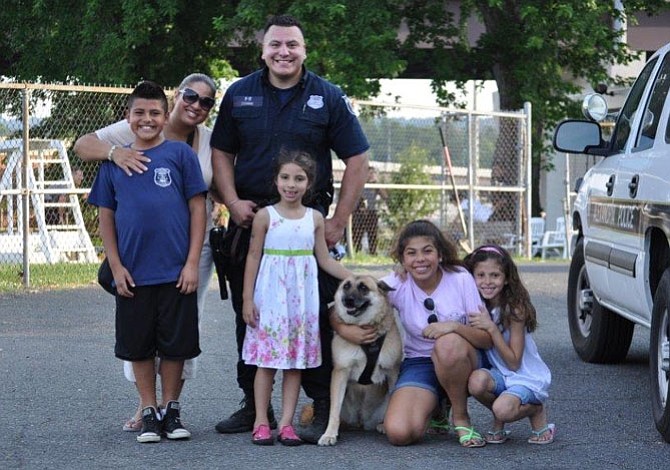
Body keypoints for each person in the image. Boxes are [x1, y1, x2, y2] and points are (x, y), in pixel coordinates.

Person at [210, 14, 370, 443]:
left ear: (304, 50)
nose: (284, 52)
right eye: (276, 44)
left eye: (292, 45)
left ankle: (315, 407)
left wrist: (338, 220)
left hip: (307, 226)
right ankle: (254, 407)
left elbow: (358, 159)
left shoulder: (328, 96)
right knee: (252, 318)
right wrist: (230, 200)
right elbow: (221, 152)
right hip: (252, 223)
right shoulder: (239, 94)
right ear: (262, 50)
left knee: (314, 317)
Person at [74, 73, 218, 431]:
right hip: (135, 269)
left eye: (155, 113)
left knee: (176, 340)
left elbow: (198, 207)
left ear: (164, 114)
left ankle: (171, 409)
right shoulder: (116, 159)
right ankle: (148, 409)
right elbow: (105, 215)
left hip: (178, 266)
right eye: (140, 113)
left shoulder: (185, 154)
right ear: (128, 117)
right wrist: (116, 265)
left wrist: (190, 263)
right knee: (139, 342)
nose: (147, 119)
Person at [242, 150, 353, 446]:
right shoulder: (266, 216)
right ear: (276, 180)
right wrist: (247, 299)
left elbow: (324, 260)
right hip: (270, 299)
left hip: (301, 302)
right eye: (285, 177)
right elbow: (253, 257)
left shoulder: (315, 218)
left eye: (299, 179)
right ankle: (261, 422)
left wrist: (353, 278)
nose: (291, 184)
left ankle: (287, 424)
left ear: (309, 184)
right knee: (266, 363)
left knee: (295, 364)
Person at [379, 220, 491, 447]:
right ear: (403, 259)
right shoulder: (398, 283)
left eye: (427, 251)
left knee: (447, 344)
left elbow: (487, 339)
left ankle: (460, 417)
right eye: (411, 253)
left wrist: (454, 327)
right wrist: (345, 330)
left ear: (440, 254)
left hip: (465, 358)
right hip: (420, 361)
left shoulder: (460, 278)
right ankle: (438, 404)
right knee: (399, 433)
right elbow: (359, 296)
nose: (420, 259)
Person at [465, 244, 555, 445]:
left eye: (495, 276)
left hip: (525, 376)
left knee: (503, 409)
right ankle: (500, 419)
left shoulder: (515, 309)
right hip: (502, 374)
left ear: (506, 279)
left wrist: (492, 329)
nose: (487, 282)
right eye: (480, 275)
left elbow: (514, 362)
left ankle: (536, 408)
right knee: (475, 383)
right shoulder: (478, 303)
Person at [351, 167, 387, 255]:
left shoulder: (375, 186)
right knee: (357, 233)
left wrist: (377, 184)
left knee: (373, 234)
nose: (371, 175)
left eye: (372, 173)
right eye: (369, 173)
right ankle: (356, 251)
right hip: (359, 212)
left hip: (371, 212)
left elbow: (385, 196)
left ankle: (373, 252)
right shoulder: (359, 184)